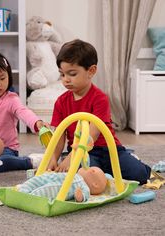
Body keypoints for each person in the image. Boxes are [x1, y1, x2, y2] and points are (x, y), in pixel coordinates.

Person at [47, 39, 151, 185]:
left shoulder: (100, 98)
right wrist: (53, 158)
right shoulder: (61, 102)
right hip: (83, 153)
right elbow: (59, 136)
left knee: (140, 175)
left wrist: (73, 156)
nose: (66, 80)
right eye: (62, 75)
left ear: (91, 71)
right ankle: (103, 172)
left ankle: (129, 159)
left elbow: (92, 135)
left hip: (108, 149)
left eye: (72, 74)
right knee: (84, 179)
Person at [17, 166, 107, 202]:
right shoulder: (75, 174)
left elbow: (85, 196)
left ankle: (25, 196)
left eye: (91, 168)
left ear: (95, 184)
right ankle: (24, 189)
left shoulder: (84, 186)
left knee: (42, 192)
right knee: (36, 180)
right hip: (51, 178)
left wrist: (80, 197)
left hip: (56, 188)